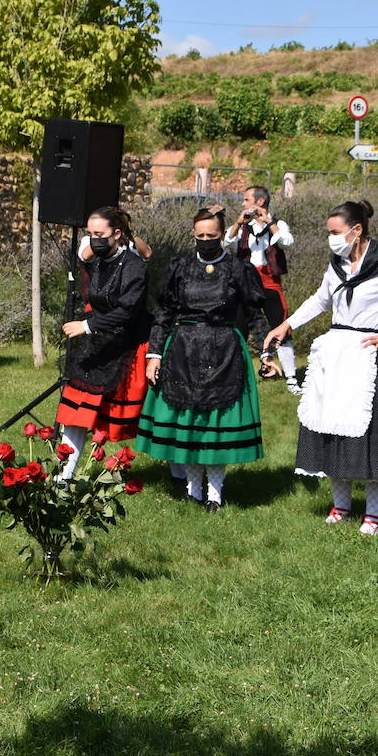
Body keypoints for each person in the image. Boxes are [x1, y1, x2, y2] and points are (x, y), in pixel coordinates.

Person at [263, 200, 378, 535]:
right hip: (336, 355)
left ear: (356, 231)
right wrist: (288, 325)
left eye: (335, 232)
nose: (331, 238)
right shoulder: (338, 264)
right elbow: (321, 300)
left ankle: (372, 516)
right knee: (332, 430)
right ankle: (341, 506)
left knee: (371, 440)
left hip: (366, 356)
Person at [137, 207, 268, 512]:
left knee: (215, 425)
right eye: (200, 236)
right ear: (193, 235)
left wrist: (266, 351)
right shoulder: (179, 268)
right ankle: (193, 489)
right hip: (183, 349)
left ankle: (215, 494)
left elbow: (254, 314)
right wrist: (154, 355)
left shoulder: (238, 269)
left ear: (222, 235)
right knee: (192, 423)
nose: (206, 240)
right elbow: (164, 315)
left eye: (212, 235)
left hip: (225, 350)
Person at [55, 207, 152, 478]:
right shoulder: (97, 262)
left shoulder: (134, 266)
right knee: (74, 414)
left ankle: (182, 475)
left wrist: (86, 325)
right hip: (97, 345)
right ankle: (63, 478)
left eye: (100, 234)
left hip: (128, 346)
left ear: (117, 234)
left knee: (151, 420)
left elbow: (127, 310)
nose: (93, 239)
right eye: (90, 234)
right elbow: (87, 269)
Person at [223, 186, 299, 395]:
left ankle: (291, 378)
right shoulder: (243, 226)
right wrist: (239, 222)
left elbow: (286, 242)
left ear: (260, 202)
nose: (243, 203)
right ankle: (234, 377)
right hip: (245, 280)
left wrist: (269, 223)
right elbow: (226, 242)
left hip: (270, 281)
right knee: (238, 327)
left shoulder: (279, 223)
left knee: (280, 327)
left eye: (246, 199)